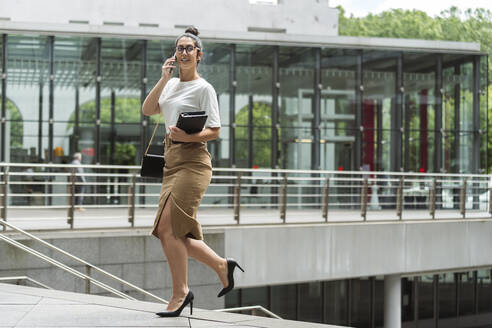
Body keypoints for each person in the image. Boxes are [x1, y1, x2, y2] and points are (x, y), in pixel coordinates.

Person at [142, 26, 243, 318]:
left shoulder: (204, 88)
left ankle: (181, 292)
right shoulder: (171, 85)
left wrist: (187, 138)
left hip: (194, 161)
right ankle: (223, 266)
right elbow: (149, 109)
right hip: (171, 162)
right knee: (172, 233)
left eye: (189, 49)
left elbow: (215, 130)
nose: (183, 52)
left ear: (199, 56)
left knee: (167, 229)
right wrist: (163, 78)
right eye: (179, 48)